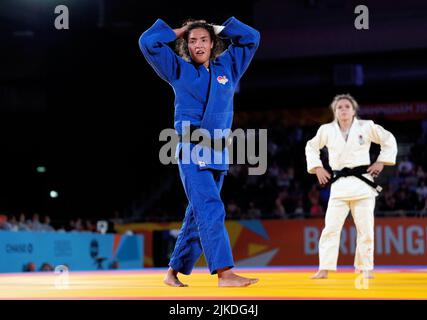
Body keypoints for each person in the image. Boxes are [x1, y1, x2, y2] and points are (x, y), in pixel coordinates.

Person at [139, 17, 260, 287]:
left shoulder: (229, 66)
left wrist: (220, 28)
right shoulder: (177, 69)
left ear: (213, 43)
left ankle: (173, 271)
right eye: (192, 41)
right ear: (185, 45)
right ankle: (225, 273)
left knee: (198, 213)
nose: (198, 45)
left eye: (204, 39)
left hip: (218, 151)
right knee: (210, 208)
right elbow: (147, 42)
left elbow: (252, 37)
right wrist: (180, 30)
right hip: (191, 149)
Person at [305, 94, 397, 279]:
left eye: (347, 106)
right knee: (330, 228)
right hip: (339, 186)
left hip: (362, 185)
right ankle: (324, 268)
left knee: (366, 229)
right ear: (335, 111)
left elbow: (389, 140)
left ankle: (365, 268)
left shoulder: (366, 126)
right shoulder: (326, 130)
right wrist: (317, 167)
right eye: (339, 107)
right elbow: (311, 147)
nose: (343, 109)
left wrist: (381, 162)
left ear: (354, 111)